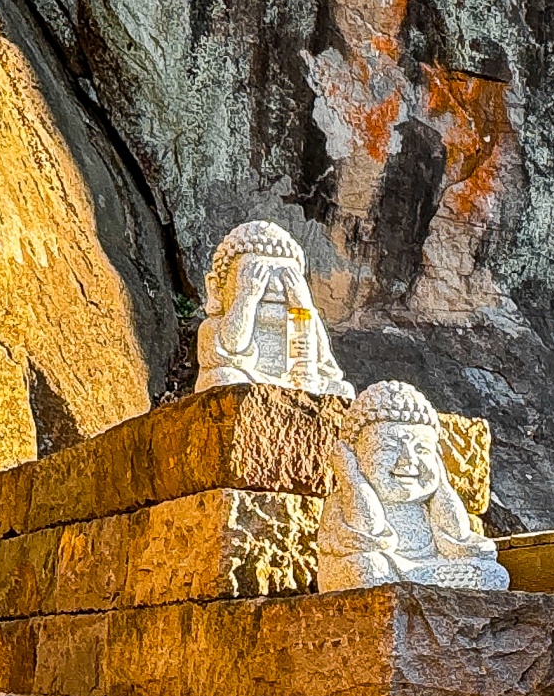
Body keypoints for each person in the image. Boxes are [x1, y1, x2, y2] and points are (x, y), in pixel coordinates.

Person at [314, 381, 507, 592]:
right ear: (353, 454)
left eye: (421, 449)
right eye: (388, 448)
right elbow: (368, 529)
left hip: (429, 568)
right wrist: (351, 476)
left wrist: (441, 481)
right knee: (367, 567)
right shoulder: (347, 497)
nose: (408, 460)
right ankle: (419, 586)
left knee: (493, 573)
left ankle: (417, 585)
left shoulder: (429, 506)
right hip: (380, 568)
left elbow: (458, 535)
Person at [193, 221, 355, 397]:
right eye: (257, 272)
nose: (276, 286)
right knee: (225, 378)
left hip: (296, 382)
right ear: (216, 288)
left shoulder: (303, 316)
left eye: (287, 276)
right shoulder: (211, 327)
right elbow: (233, 345)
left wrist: (303, 306)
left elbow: (321, 362)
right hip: (247, 377)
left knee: (343, 390)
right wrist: (248, 295)